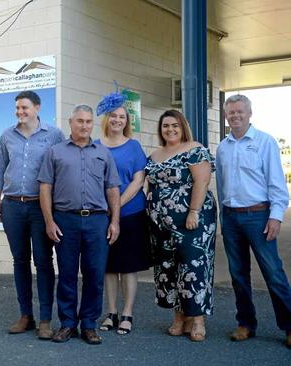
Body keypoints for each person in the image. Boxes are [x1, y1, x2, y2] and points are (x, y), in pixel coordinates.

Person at [38, 104, 121, 345]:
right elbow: (45, 188)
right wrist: (49, 221)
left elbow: (112, 188)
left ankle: (89, 325)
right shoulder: (55, 152)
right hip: (65, 220)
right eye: (79, 121)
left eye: (88, 121)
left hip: (97, 220)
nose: (84, 125)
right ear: (71, 123)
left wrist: (114, 221)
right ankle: (66, 324)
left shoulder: (103, 153)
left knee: (94, 274)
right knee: (66, 274)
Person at [216, 94, 291, 349]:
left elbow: (276, 184)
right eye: (231, 112)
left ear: (249, 113)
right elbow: (221, 184)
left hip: (258, 216)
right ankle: (246, 323)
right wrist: (222, 217)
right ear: (226, 116)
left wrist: (275, 217)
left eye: (239, 111)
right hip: (231, 217)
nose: (235, 116)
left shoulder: (265, 142)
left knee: (273, 273)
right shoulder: (223, 147)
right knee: (238, 274)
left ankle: (289, 326)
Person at [0, 90, 65, 339]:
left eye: (25, 108)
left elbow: (61, 169)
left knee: (44, 261)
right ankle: (26, 315)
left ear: (37, 108)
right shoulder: (6, 135)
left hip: (39, 207)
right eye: (17, 108)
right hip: (12, 206)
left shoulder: (54, 135)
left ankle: (45, 319)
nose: (20, 112)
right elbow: (0, 169)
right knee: (20, 261)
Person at [145, 109, 217, 342]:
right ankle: (179, 316)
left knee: (193, 264)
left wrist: (193, 211)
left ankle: (197, 319)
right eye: (166, 126)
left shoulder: (194, 149)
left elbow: (202, 180)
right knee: (169, 266)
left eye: (175, 125)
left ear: (182, 126)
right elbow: (149, 186)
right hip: (160, 223)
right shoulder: (155, 155)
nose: (170, 129)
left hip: (192, 218)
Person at [94, 92, 150, 335]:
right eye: (114, 116)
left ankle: (127, 314)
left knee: (127, 266)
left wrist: (116, 206)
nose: (118, 120)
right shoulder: (95, 146)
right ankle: (112, 312)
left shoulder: (133, 146)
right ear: (106, 118)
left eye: (122, 117)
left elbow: (139, 180)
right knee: (108, 266)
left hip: (131, 213)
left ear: (127, 121)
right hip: (102, 215)